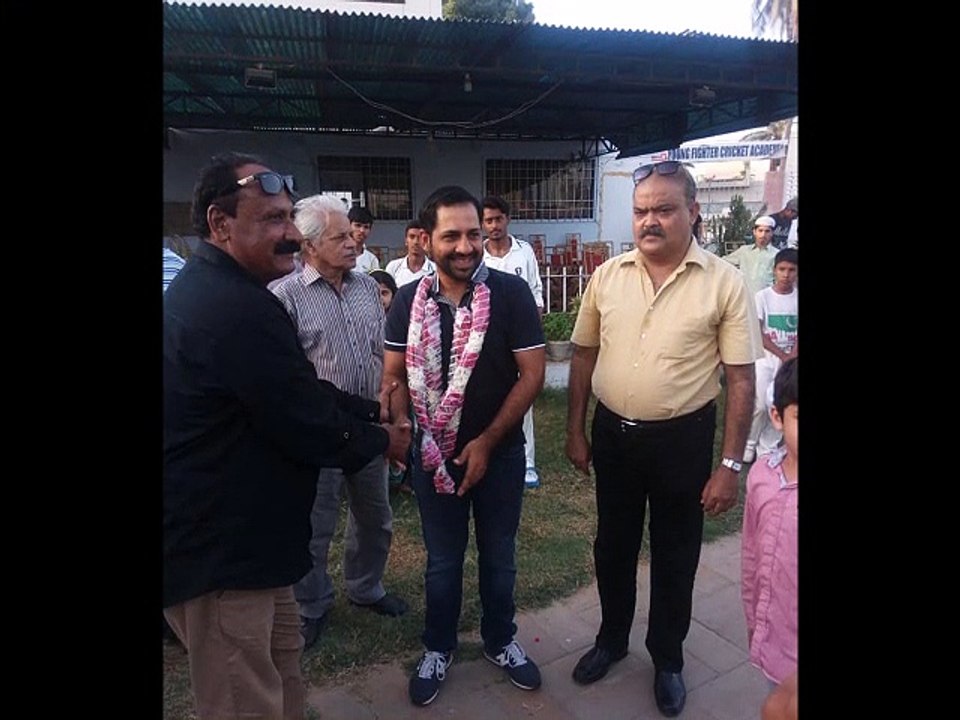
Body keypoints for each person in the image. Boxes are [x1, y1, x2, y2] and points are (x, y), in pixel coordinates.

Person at [163, 152, 411, 720]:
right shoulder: (232, 307)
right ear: (220, 225)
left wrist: (367, 409)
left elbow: (297, 388)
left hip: (257, 551)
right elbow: (304, 421)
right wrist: (384, 441)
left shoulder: (234, 293)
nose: (290, 235)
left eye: (287, 219)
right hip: (222, 557)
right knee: (243, 701)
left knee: (281, 680)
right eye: (272, 220)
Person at [565, 160, 761, 718]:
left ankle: (668, 658)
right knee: (614, 546)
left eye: (664, 209)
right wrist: (576, 429)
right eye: (641, 209)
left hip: (684, 441)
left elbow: (741, 378)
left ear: (693, 212)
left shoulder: (724, 281)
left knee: (676, 553)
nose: (649, 221)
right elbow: (583, 354)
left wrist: (730, 463)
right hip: (615, 438)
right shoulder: (608, 275)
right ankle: (610, 639)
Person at [381, 185, 546, 707]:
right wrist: (401, 424)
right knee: (442, 562)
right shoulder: (408, 300)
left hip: (498, 456)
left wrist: (487, 441)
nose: (466, 245)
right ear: (426, 240)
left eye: (473, 233)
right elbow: (393, 376)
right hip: (433, 458)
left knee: (500, 557)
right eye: (451, 235)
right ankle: (438, 647)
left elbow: (532, 375)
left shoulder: (511, 293)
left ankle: (500, 640)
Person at [271, 194, 410, 652]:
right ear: (309, 246)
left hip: (370, 424)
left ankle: (366, 588)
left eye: (352, 234)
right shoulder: (285, 296)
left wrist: (390, 404)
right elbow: (289, 378)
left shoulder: (368, 288)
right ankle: (311, 605)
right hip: (319, 430)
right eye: (340, 237)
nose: (353, 243)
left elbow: (383, 351)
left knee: (375, 516)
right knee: (315, 524)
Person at [481, 195, 545, 489]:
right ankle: (488, 450)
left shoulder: (524, 252)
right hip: (484, 338)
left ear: (507, 219)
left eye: (498, 219)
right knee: (486, 396)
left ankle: (527, 462)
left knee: (523, 396)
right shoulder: (478, 256)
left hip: (519, 339)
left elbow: (536, 294)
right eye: (488, 221)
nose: (494, 225)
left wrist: (534, 334)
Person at [741, 356, 798, 688]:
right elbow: (752, 556)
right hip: (775, 638)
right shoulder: (761, 477)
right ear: (777, 417)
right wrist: (754, 617)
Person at [744, 248, 798, 463]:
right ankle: (749, 443)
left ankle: (767, 447)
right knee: (759, 403)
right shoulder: (763, 297)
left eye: (792, 270)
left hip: (791, 358)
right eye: (782, 269)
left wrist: (791, 356)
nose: (786, 275)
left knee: (781, 401)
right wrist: (780, 355)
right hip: (766, 358)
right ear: (774, 270)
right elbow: (758, 331)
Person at [723, 215, 779, 298]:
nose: (763, 235)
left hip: (767, 297)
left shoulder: (777, 254)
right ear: (754, 232)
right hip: (745, 296)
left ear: (772, 233)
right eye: (760, 231)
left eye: (767, 231)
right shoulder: (744, 251)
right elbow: (724, 262)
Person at [384, 219, 436, 287]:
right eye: (412, 237)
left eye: (420, 238)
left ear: (426, 241)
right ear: (406, 240)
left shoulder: (435, 270)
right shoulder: (393, 267)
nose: (415, 242)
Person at [349, 205, 380, 272]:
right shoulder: (337, 255)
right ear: (348, 225)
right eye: (358, 225)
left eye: (366, 227)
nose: (362, 230)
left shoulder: (372, 260)